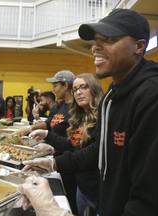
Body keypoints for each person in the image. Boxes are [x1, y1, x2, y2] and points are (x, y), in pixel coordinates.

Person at [21, 9, 158, 216]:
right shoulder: (112, 96)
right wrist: (54, 162)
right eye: (96, 40)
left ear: (139, 47)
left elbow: (149, 200)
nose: (96, 47)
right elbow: (101, 150)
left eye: (109, 39)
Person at [30, 73, 103, 216]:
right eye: (75, 89)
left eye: (84, 87)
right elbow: (71, 145)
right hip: (82, 188)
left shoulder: (103, 117)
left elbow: (91, 154)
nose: (78, 92)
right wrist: (47, 135)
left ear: (94, 89)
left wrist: (54, 163)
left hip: (98, 191)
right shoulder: (80, 116)